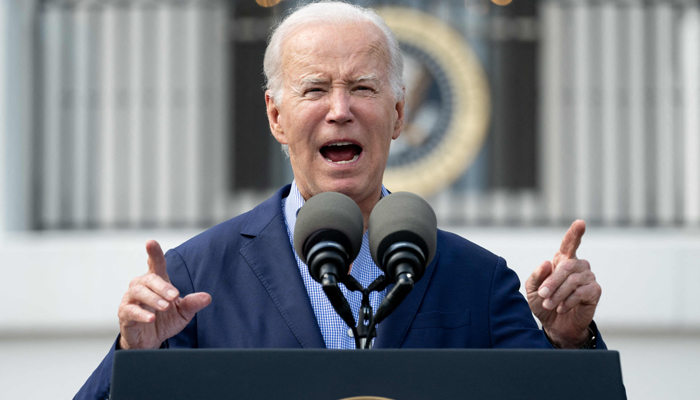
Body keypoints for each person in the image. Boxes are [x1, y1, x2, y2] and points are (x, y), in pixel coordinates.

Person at [75, 2, 603, 398]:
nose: (340, 109)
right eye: (314, 89)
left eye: (364, 88)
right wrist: (134, 359)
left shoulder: (477, 279)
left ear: (399, 114)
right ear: (276, 116)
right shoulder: (194, 279)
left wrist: (570, 344)